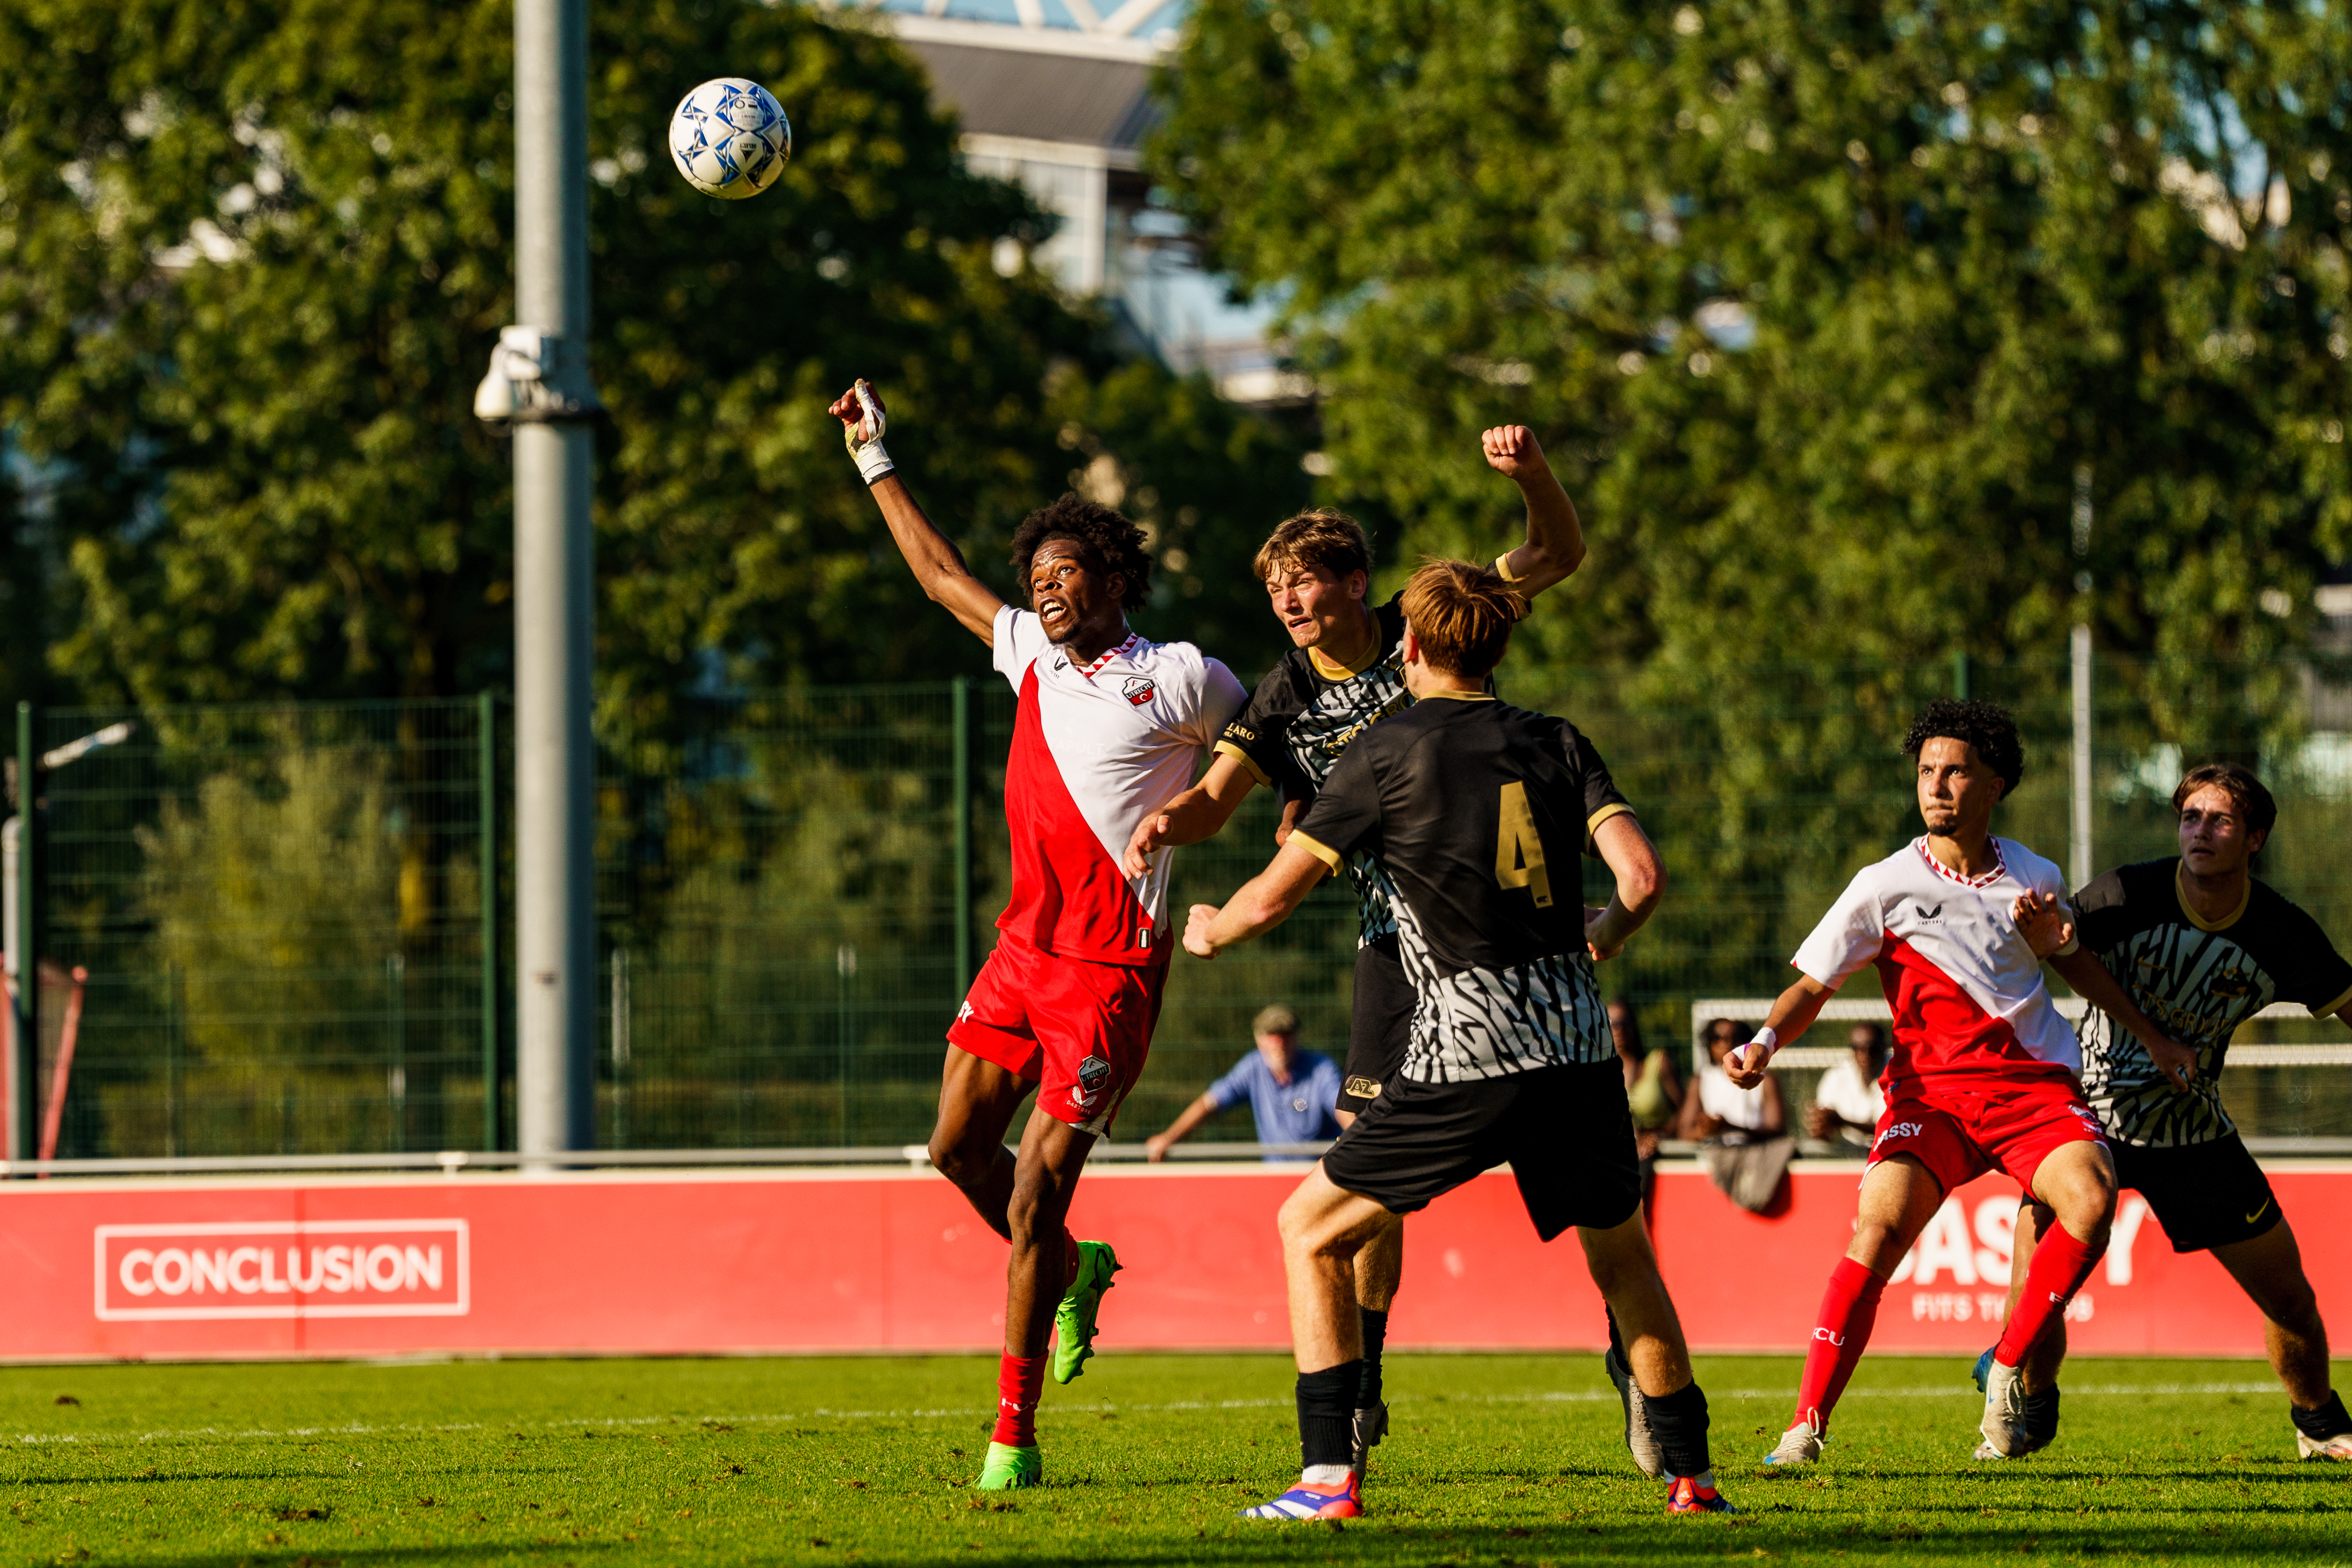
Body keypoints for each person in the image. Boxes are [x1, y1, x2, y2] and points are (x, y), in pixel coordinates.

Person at [1181, 560, 1736, 1519]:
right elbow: (1640, 878)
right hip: (1576, 1045)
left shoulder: (1384, 751)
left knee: (1307, 1230)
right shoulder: (1558, 738)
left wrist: (1208, 927)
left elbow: (1271, 896)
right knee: (1623, 1256)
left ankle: (1324, 1478)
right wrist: (1597, 938)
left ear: (1413, 646)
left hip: (1466, 1048)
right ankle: (1690, 1473)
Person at [1119, 426, 1587, 1477]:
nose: (1290, 604)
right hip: (1394, 944)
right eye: (1277, 588)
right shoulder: (1281, 697)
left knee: (1574, 1171)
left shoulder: (1429, 630)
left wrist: (1529, 477)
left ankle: (1631, 1353)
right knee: (1366, 1159)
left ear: (1358, 583)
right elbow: (1213, 800)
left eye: (1307, 584)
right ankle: (1365, 1370)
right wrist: (1164, 830)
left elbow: (1554, 557)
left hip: (1509, 937)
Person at [830, 380, 1246, 1491]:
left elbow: (1274, 744)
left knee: (1029, 1201)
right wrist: (877, 456)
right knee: (954, 1150)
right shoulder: (1029, 653)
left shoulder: (1180, 676)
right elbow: (935, 576)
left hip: (1109, 977)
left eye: (1065, 573)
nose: (1044, 590)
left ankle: (1011, 1434)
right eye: (1037, 578)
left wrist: (1271, 840)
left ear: (1115, 579)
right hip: (1021, 954)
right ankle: (1078, 1267)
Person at [1723, 698, 2186, 1465]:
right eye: (1926, 771)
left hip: (2031, 1094)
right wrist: (1766, 1040)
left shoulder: (2035, 875)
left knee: (2093, 1199)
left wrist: (2152, 1036)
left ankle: (2006, 1367)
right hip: (1929, 1100)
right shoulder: (1883, 884)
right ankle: (1804, 1429)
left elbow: (2069, 959)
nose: (1936, 786)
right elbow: (1813, 985)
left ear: (1995, 784)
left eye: (1955, 771)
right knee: (1876, 1233)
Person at [1986, 763, 2352, 1461]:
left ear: (2255, 838)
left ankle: (2319, 1423)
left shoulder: (2283, 933)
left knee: (2290, 1297)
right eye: (2190, 817)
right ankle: (2028, 1411)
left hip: (2193, 1133)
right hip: (2087, 1125)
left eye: (2220, 821)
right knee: (2036, 1288)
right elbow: (2051, 949)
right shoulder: (2126, 893)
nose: (2200, 832)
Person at [1145, 1004, 1343, 1163]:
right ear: (1259, 1039)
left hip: (1323, 1175)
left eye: (1286, 1035)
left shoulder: (1321, 1068)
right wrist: (1169, 1138)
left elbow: (1342, 1107)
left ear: (1298, 1037)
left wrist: (1364, 1143)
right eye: (1272, 1035)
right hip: (1275, 1177)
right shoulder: (1253, 1067)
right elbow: (1211, 1103)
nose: (1279, 1043)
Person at [1612, 1000, 1682, 1209]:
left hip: (1654, 1151)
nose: (1620, 1030)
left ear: (1634, 1026)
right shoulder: (1596, 1073)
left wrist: (1658, 1134)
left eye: (1625, 1022)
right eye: (1612, 1023)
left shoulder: (1657, 1062)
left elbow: (1686, 1113)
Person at [1677, 1018, 1785, 1143]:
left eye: (1737, 1036)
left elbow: (1777, 1131)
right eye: (1718, 1037)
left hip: (1756, 1155)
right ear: (1709, 1043)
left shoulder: (1765, 1079)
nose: (1728, 1043)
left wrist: (1729, 1128)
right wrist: (1706, 1130)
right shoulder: (1700, 1081)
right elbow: (1684, 1131)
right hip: (1714, 1156)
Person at [1807, 1024, 1890, 1150]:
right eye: (1859, 1048)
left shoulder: (1898, 1076)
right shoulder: (1836, 1077)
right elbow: (1824, 1128)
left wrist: (1841, 1122)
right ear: (1853, 1051)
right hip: (1846, 1151)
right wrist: (1821, 1125)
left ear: (1884, 1049)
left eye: (1873, 1049)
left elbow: (1888, 1129)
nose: (1866, 1055)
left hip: (1888, 1148)